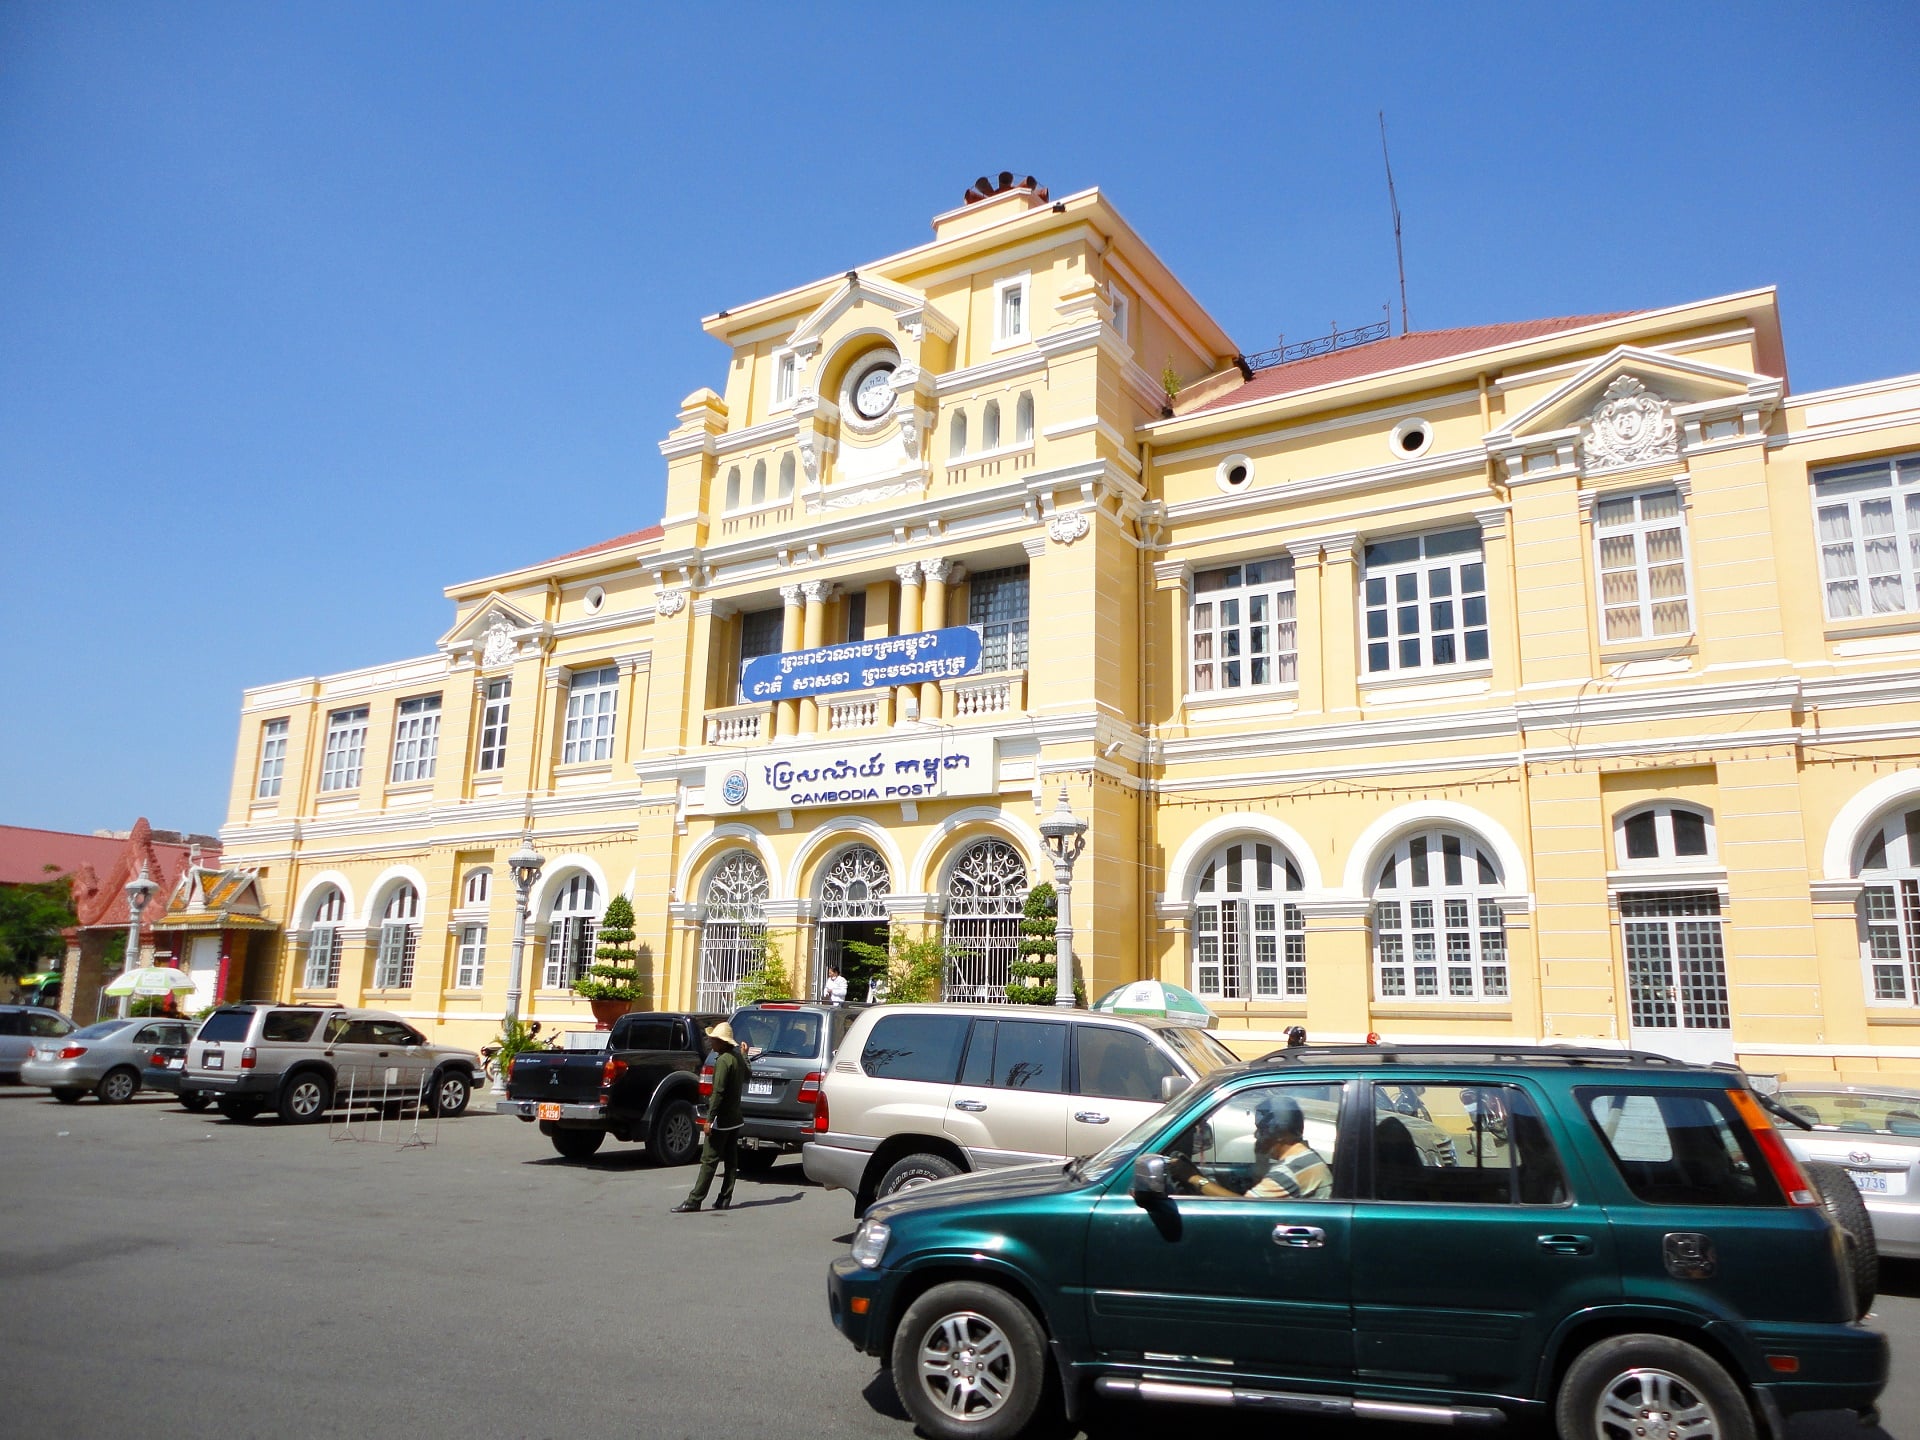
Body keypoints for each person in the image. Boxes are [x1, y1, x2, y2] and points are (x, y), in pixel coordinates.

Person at [1171, 1094, 1332, 1200]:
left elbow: (1244, 1209)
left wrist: (1194, 1178)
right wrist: (1261, 1160)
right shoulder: (1304, 1157)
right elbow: (1261, 1191)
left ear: (1282, 1133)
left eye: (1261, 1129)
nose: (1256, 1135)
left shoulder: (1291, 1171)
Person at [673, 1021, 745, 1213]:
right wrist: (745, 1056)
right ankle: (725, 1197)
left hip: (721, 1120)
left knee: (709, 1160)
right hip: (735, 1118)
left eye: (714, 1039)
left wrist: (709, 1119)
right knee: (731, 1160)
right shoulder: (736, 1058)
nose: (711, 1041)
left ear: (722, 1042)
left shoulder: (722, 1061)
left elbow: (718, 1093)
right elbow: (748, 1075)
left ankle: (695, 1200)